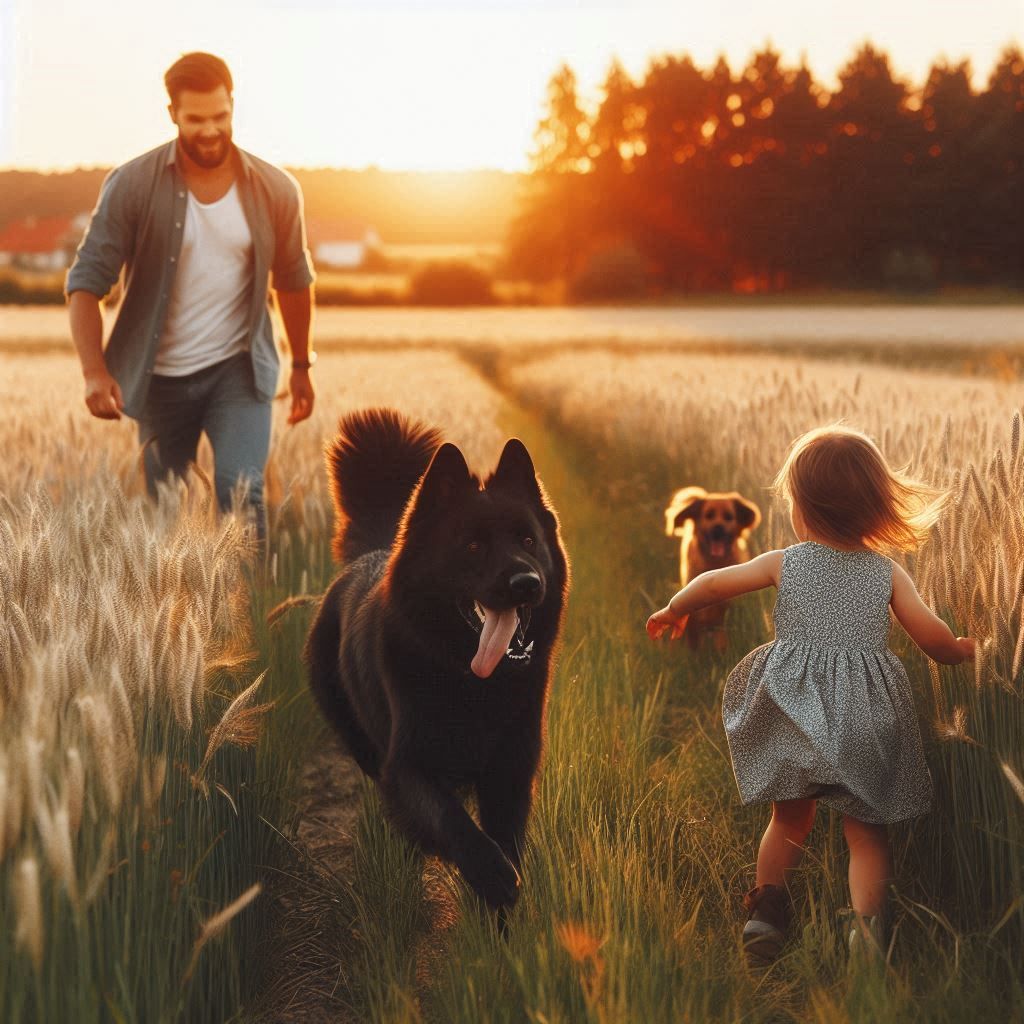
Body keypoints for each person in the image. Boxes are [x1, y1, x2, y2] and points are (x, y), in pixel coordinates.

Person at [646, 425, 974, 964]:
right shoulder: (886, 573)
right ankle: (868, 936)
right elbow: (932, 637)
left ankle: (766, 917)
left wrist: (675, 608)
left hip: (791, 711)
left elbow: (713, 584)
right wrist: (962, 651)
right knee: (866, 835)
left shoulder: (786, 562)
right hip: (866, 715)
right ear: (875, 508)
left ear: (801, 509)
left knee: (789, 820)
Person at [66, 51, 316, 548]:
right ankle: (186, 618)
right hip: (159, 379)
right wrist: (94, 372)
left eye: (220, 116)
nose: (210, 130)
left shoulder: (276, 189)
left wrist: (302, 366)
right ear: (172, 114)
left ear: (232, 106)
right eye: (196, 118)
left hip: (238, 371)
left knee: (241, 492)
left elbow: (293, 279)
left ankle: (251, 615)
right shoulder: (132, 184)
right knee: (169, 511)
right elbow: (86, 282)